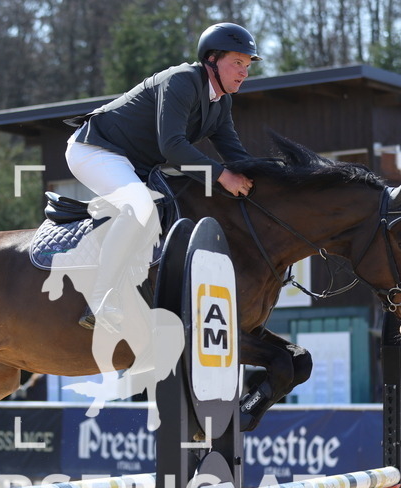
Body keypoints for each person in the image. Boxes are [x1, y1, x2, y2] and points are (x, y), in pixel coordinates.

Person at [64, 22, 260, 330]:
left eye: (247, 65)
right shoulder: (182, 80)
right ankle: (101, 300)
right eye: (237, 62)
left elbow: (236, 155)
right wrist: (222, 176)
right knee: (139, 206)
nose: (244, 72)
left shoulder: (221, 102)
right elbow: (173, 148)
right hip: (95, 149)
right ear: (211, 59)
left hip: (136, 165)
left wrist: (268, 179)